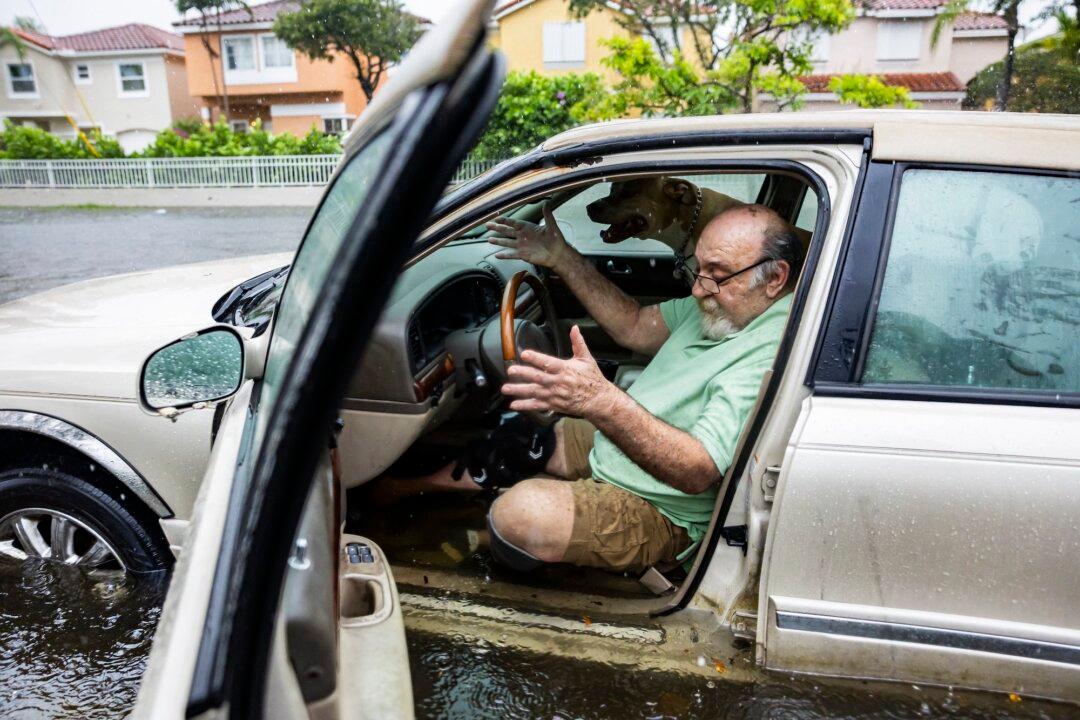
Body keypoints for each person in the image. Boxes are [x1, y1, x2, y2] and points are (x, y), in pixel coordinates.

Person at [387, 201, 802, 575]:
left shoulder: (772, 347)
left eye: (717, 275)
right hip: (626, 450)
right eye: (698, 269)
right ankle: (411, 488)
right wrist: (562, 258)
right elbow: (635, 326)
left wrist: (600, 400)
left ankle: (487, 538)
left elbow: (697, 471)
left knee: (517, 515)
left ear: (774, 278)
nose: (697, 289)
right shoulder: (726, 307)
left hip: (663, 509)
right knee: (520, 436)